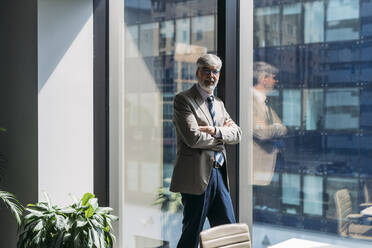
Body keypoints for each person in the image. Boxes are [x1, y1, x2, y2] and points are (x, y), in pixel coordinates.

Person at [170, 54, 242, 248]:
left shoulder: (219, 104)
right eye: (207, 70)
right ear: (197, 73)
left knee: (228, 230)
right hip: (196, 176)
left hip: (219, 173)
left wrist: (216, 131)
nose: (211, 76)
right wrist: (221, 138)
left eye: (215, 72)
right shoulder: (183, 100)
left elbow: (237, 134)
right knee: (192, 234)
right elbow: (193, 138)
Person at [252, 61, 287, 186]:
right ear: (263, 79)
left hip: (265, 168)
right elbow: (261, 132)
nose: (276, 81)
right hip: (254, 169)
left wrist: (273, 128)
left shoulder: (265, 102)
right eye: (273, 78)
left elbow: (283, 129)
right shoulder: (248, 100)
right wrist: (275, 128)